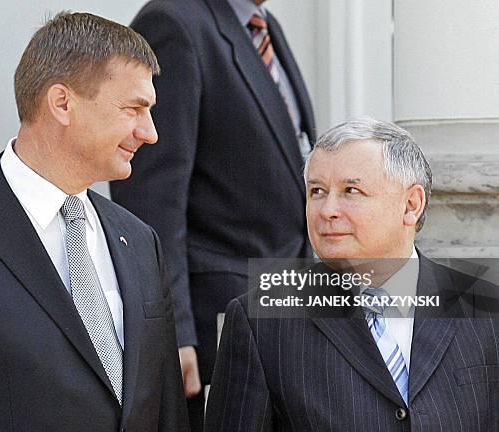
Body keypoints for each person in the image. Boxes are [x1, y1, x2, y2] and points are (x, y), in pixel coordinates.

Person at [0, 12, 189, 432]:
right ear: (62, 102)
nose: (150, 132)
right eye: (133, 109)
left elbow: (166, 413)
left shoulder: (140, 242)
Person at [205, 118, 499, 431]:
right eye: (317, 191)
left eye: (351, 190)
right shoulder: (260, 322)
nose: (327, 209)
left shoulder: (484, 306)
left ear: (411, 205)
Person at [110, 0, 315, 428]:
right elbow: (151, 195)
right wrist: (175, 330)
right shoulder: (173, 23)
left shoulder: (264, 25)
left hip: (280, 306)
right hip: (212, 323)